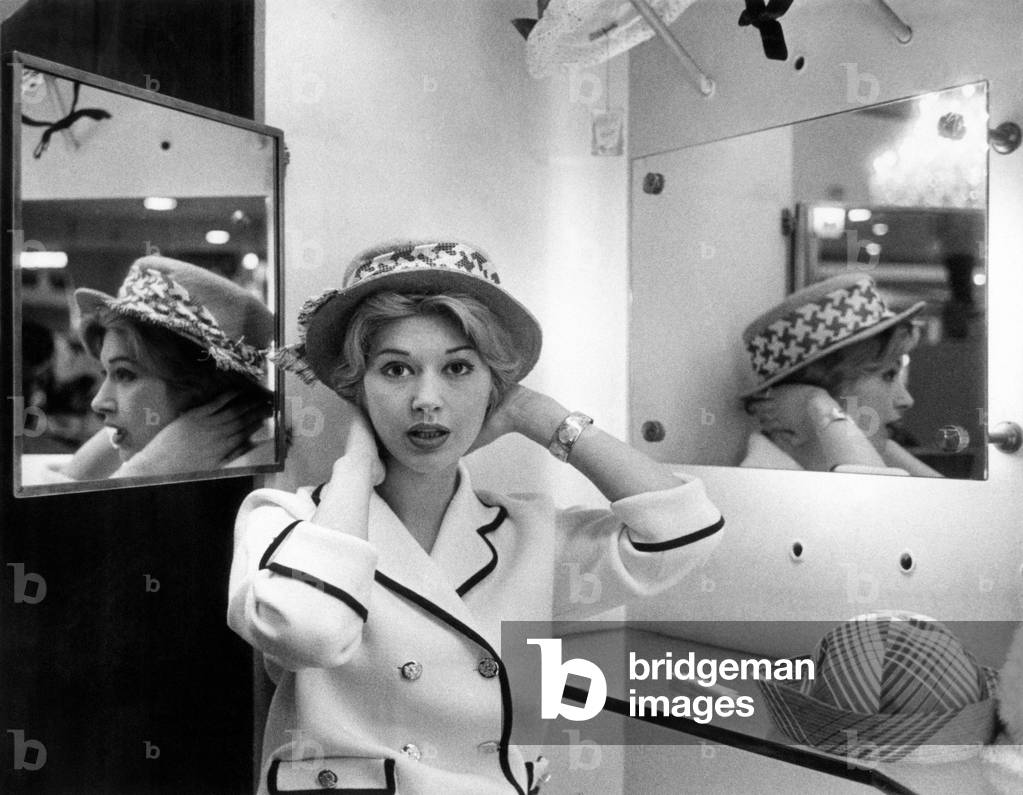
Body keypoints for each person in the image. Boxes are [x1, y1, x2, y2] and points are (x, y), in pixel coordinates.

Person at [228, 239, 724, 794]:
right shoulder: (283, 521)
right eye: (395, 370)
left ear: (496, 384)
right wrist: (355, 466)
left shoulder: (528, 536)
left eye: (459, 368)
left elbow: (685, 530)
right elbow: (312, 633)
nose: (426, 399)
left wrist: (539, 416)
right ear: (356, 387)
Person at [30, 255, 275, 483]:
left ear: (200, 389)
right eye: (106, 374)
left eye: (125, 374)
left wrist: (140, 472)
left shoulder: (256, 492)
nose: (98, 402)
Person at [739, 272, 942, 476]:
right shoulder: (762, 489)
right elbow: (874, 500)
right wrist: (817, 405)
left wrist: (882, 448)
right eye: (888, 376)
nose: (906, 400)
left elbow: (950, 505)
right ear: (804, 393)